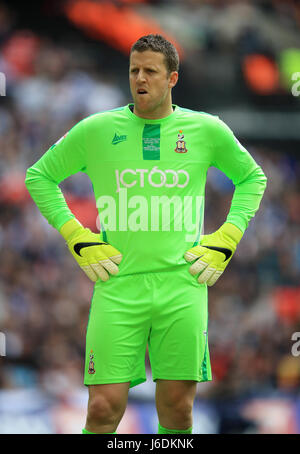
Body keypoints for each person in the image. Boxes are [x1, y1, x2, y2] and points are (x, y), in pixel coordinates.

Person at [25, 34, 267, 435]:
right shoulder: (97, 129)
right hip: (118, 286)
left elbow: (252, 177)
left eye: (150, 71)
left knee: (178, 411)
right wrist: (75, 234)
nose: (140, 78)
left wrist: (228, 235)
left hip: (182, 285)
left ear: (172, 78)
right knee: (103, 408)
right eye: (134, 70)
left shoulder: (206, 129)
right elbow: (40, 175)